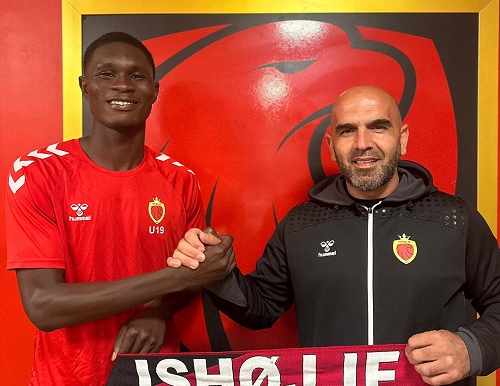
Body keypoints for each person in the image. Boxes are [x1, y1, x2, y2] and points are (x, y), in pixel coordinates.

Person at [169, 85, 500, 385]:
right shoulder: (301, 224)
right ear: (331, 146)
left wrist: (471, 348)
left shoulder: (453, 218)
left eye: (378, 127)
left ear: (402, 138)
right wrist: (214, 271)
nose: (362, 143)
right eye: (347, 130)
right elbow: (261, 308)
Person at [5, 32, 235, 386]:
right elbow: (43, 305)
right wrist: (181, 278)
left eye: (137, 75)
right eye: (107, 74)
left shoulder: (180, 180)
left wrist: (159, 310)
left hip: (156, 373)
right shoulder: (38, 173)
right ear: (85, 87)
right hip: (66, 376)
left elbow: (192, 272)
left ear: (154, 91)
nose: (123, 85)